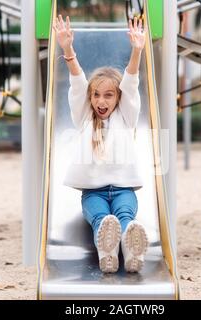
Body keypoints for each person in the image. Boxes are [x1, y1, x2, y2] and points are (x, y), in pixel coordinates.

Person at [53, 14, 149, 273]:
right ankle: (107, 252)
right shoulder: (84, 117)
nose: (101, 101)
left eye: (108, 95)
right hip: (93, 192)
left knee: (125, 218)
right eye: (96, 95)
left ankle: (131, 251)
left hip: (124, 189)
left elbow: (131, 81)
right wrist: (67, 49)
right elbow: (77, 82)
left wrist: (137, 51)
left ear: (118, 98)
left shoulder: (126, 116)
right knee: (102, 219)